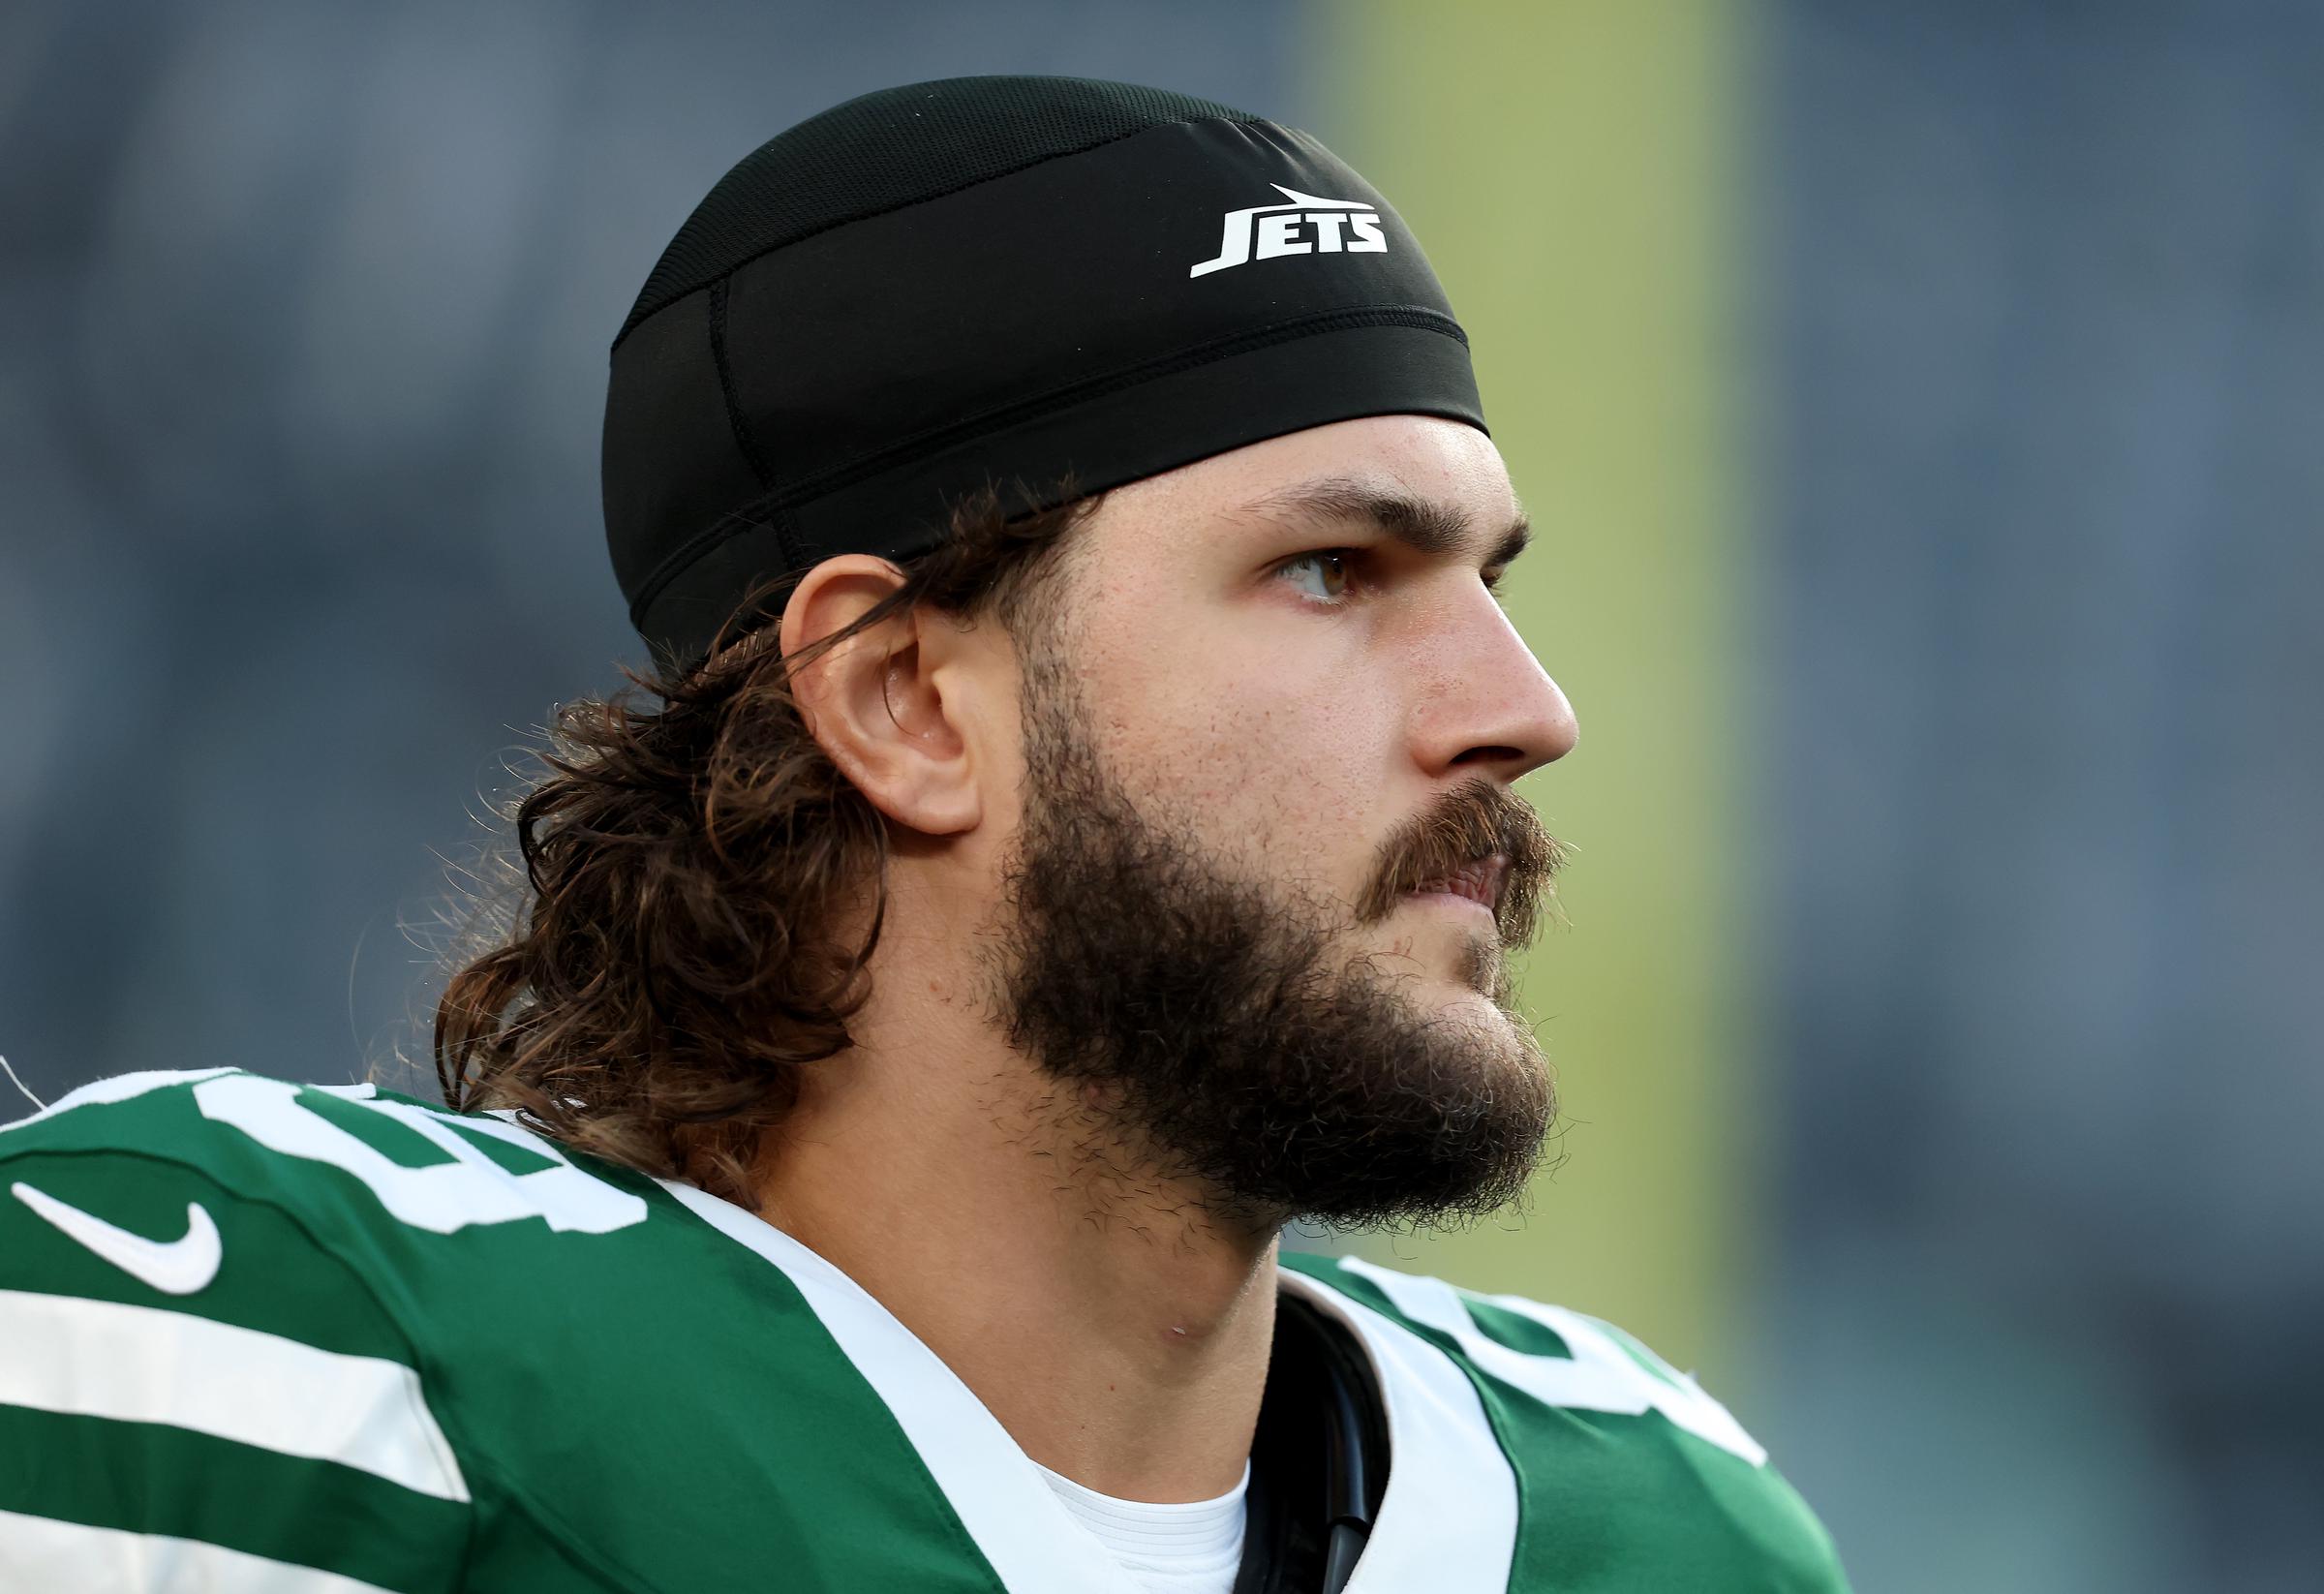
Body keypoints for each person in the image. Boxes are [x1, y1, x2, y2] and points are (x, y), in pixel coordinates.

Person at [0, 77, 1850, 1593]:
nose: (1525, 709)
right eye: (1330, 568)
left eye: (1484, 577)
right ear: (899, 696)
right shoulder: (271, 1361)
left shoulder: (1667, 1533)